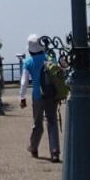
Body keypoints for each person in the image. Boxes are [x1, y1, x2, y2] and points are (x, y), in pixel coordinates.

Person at [18, 33, 60, 163]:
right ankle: (54, 151)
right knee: (52, 122)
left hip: (37, 96)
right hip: (51, 95)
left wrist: (22, 97)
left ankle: (34, 147)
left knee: (37, 123)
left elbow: (24, 82)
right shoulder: (49, 58)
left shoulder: (28, 62)